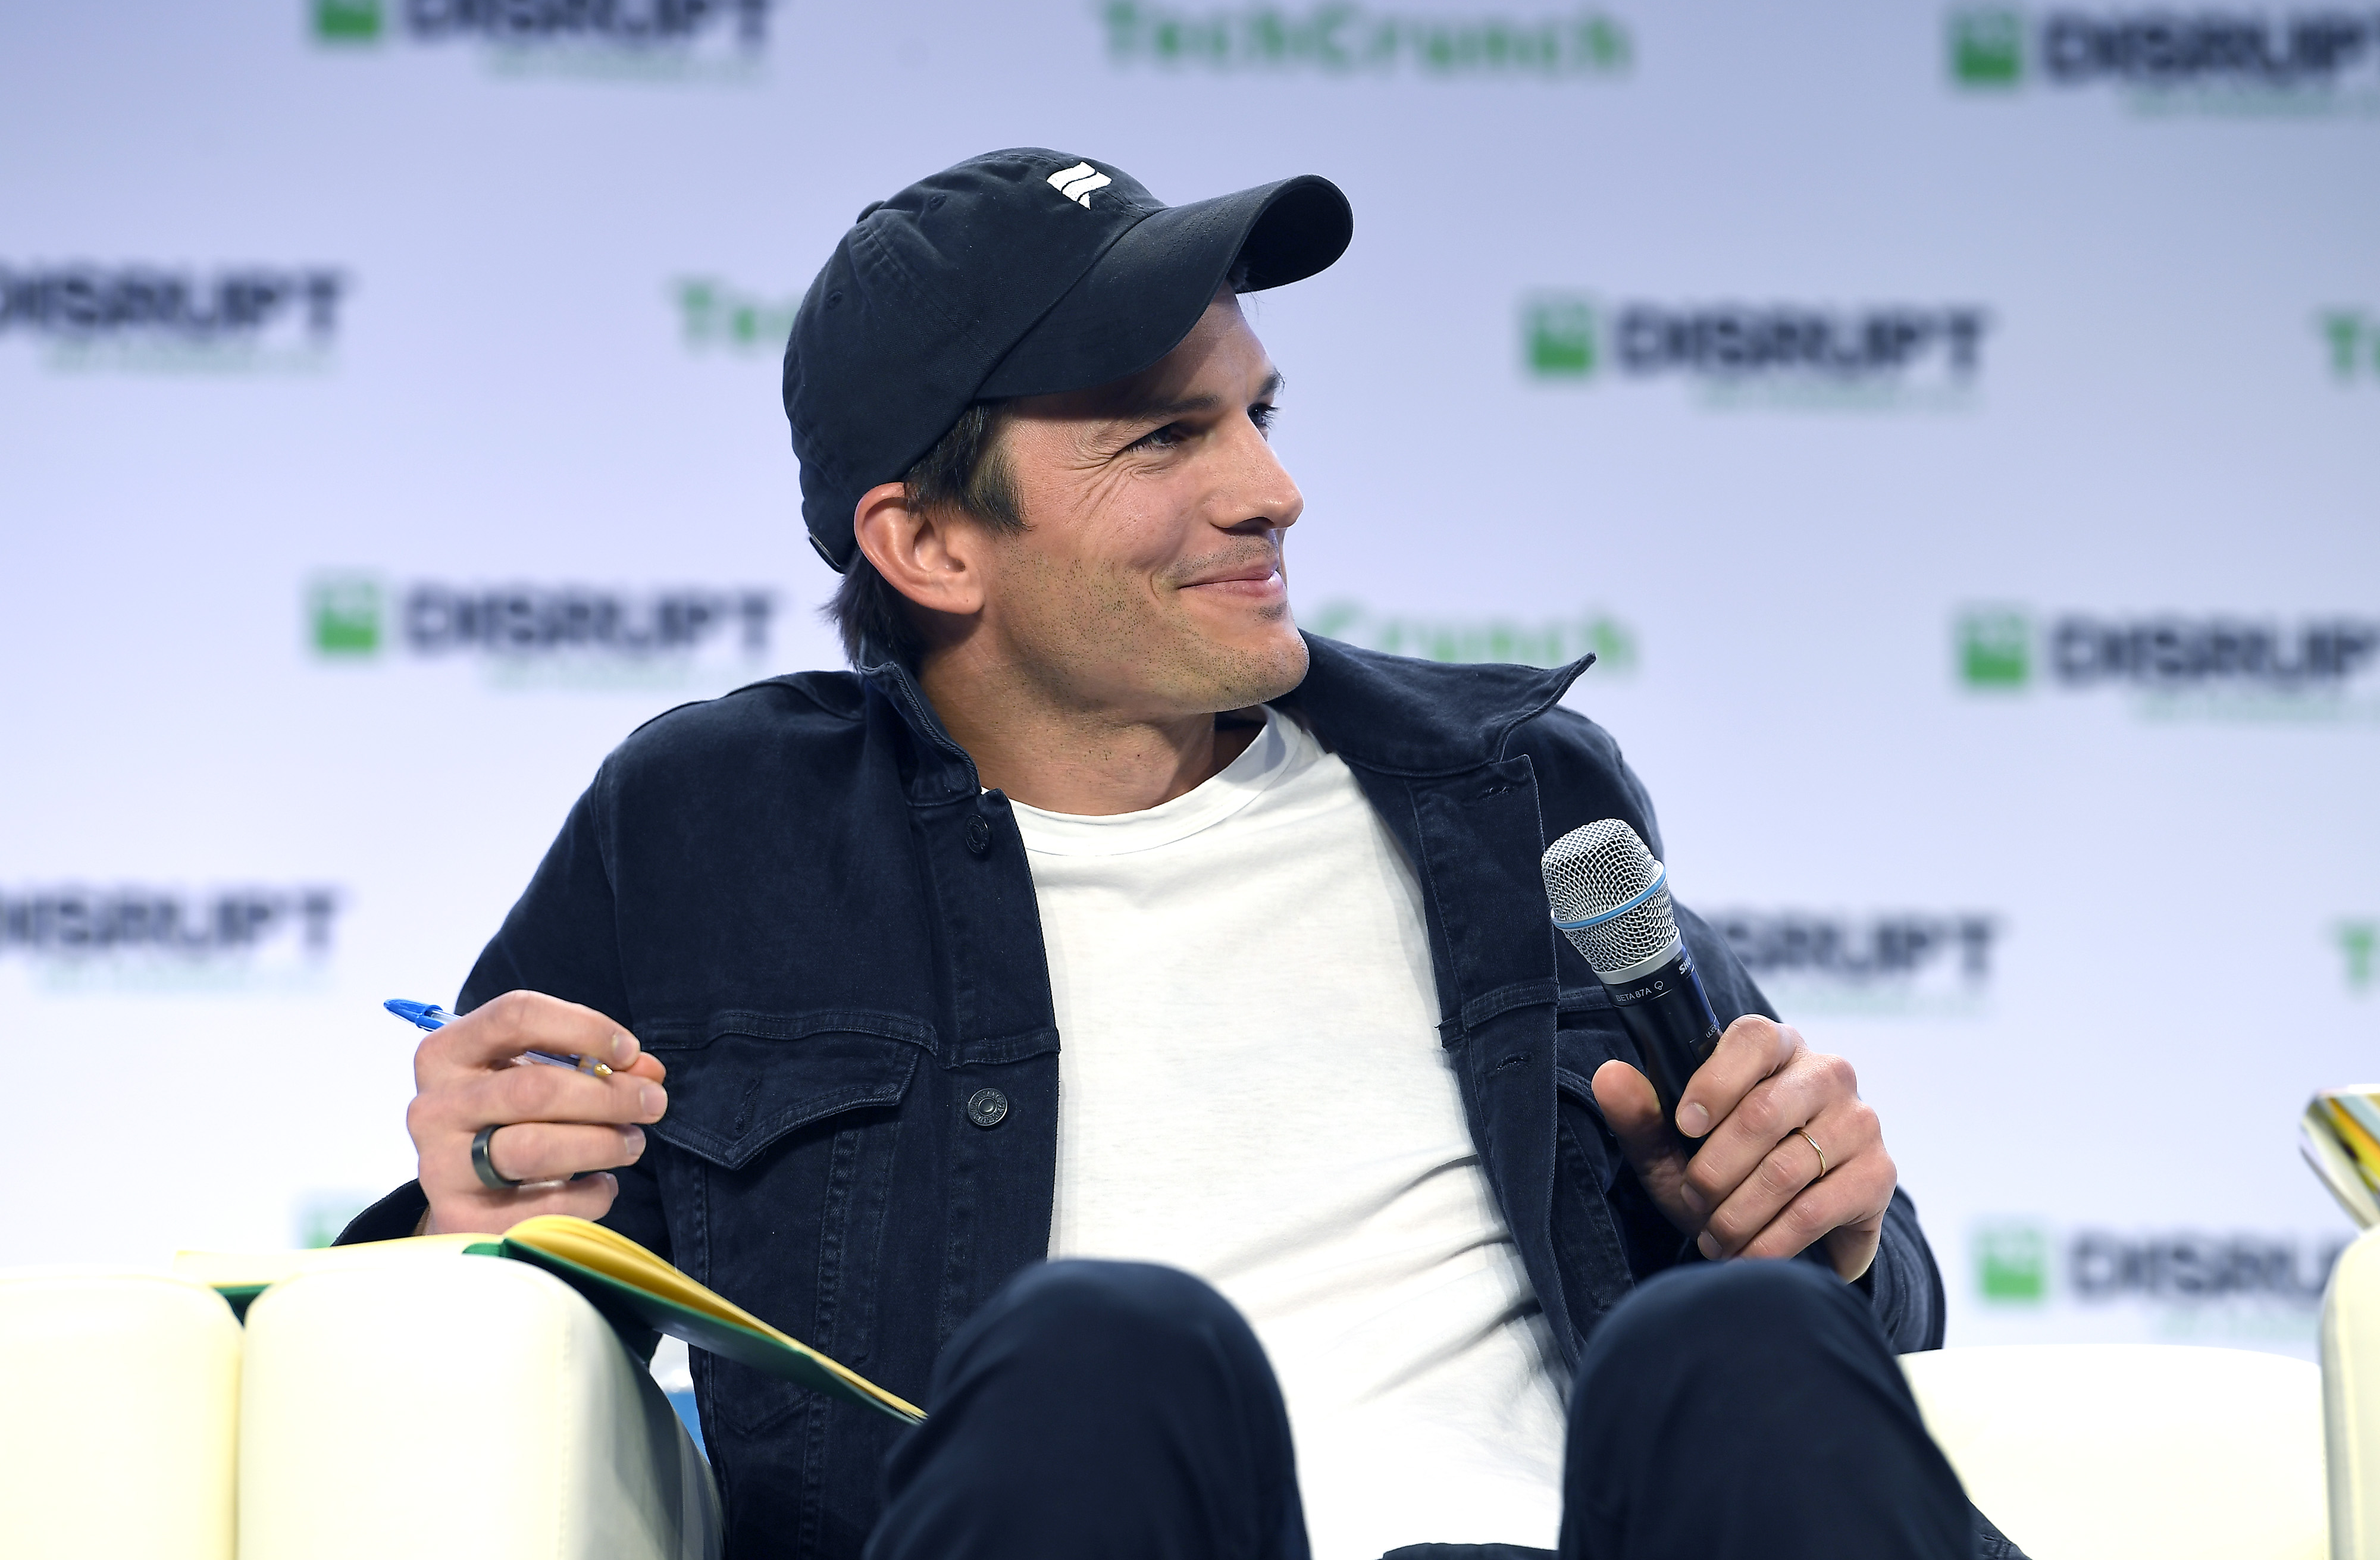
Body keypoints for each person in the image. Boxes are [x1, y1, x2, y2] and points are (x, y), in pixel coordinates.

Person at [343, 150, 2016, 1560]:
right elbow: (493, 1302)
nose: (1274, 489)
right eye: (1165, 437)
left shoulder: (1520, 789)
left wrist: (1830, 1232)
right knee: (1102, 1351)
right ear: (925, 539)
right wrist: (461, 1205)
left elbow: (1872, 1319)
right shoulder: (718, 825)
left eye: (1258, 413)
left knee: (1748, 1335)